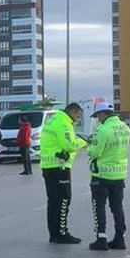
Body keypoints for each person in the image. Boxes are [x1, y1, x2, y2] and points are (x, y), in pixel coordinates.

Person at [40, 103, 89, 244]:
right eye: (78, 116)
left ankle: (54, 233)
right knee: (63, 199)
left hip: (49, 165)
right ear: (73, 112)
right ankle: (62, 233)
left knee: (53, 201)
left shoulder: (53, 119)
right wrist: (83, 141)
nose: (78, 120)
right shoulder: (63, 123)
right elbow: (69, 145)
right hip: (59, 166)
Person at [87, 101, 130, 251]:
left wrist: (90, 145)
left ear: (103, 114)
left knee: (99, 207)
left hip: (102, 175)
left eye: (98, 116)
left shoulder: (103, 129)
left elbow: (94, 152)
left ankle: (101, 239)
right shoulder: (125, 128)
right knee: (117, 207)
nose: (97, 119)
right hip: (119, 174)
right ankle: (120, 239)